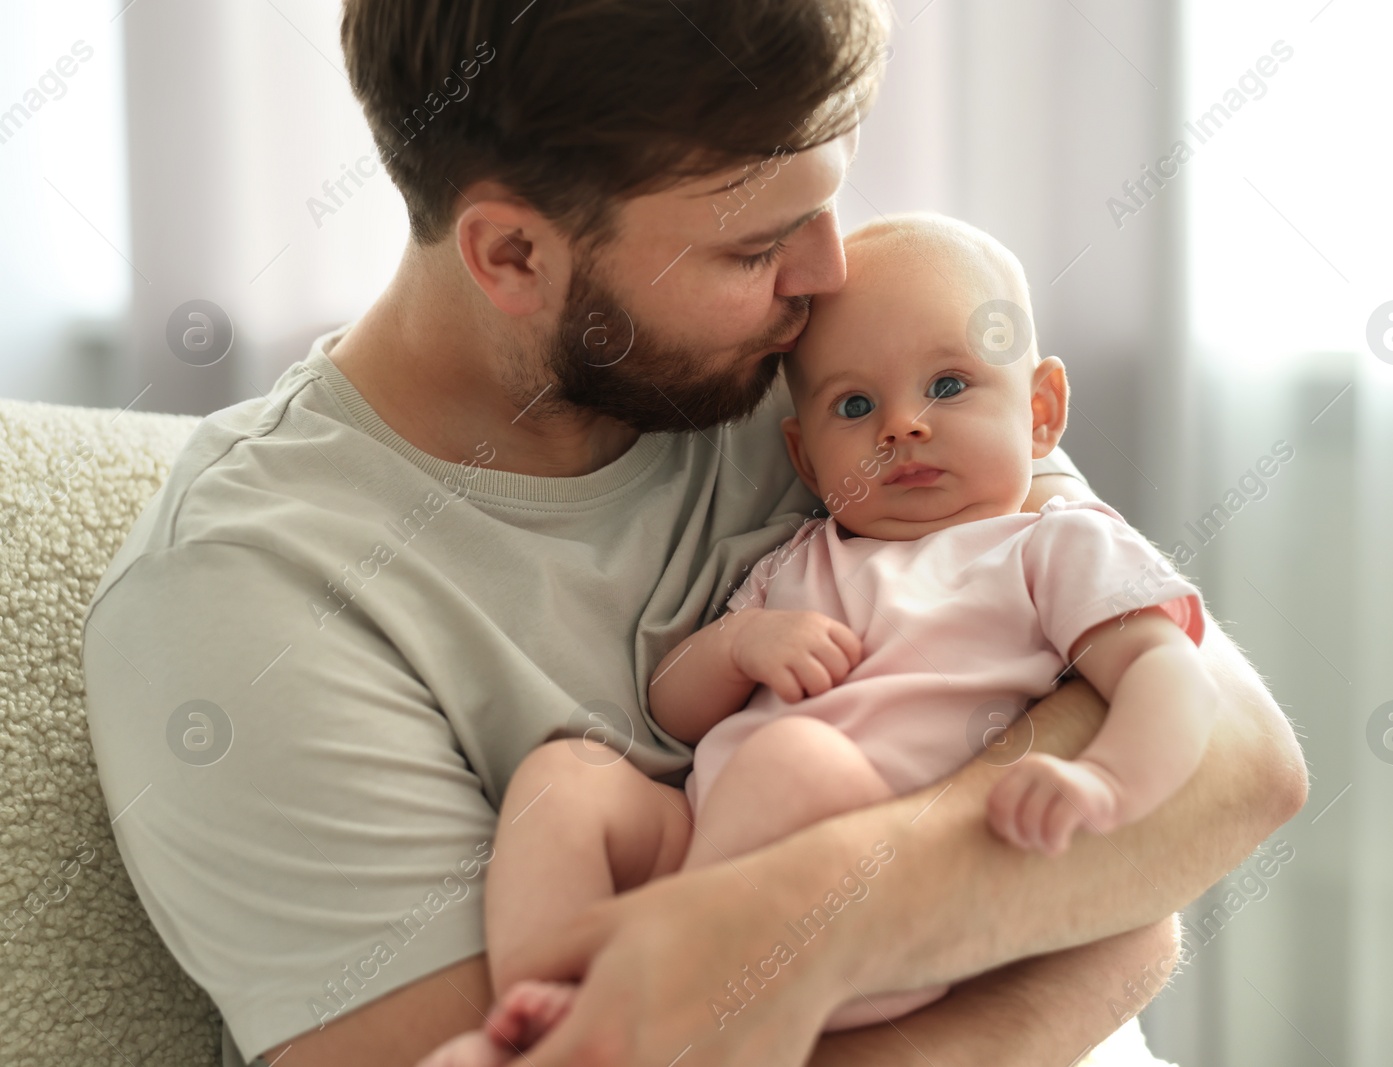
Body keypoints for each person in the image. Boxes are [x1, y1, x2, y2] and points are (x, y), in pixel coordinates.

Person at [81, 3, 1307, 1066]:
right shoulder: (245, 600)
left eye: (822, 209)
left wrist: (800, 917)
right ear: (513, 252)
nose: (825, 277)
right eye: (757, 244)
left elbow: (1237, 768)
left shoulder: (839, 369)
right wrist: (1079, 948)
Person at [447, 214, 1221, 1062]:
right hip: (706, 841)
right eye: (855, 406)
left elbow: (1166, 667)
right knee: (567, 775)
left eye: (950, 385)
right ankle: (546, 1001)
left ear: (1040, 413)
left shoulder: (1051, 544)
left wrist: (1108, 783)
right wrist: (740, 645)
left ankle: (652, 1016)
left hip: (877, 901)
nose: (902, 427)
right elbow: (672, 705)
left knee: (793, 761)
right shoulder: (799, 557)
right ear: (808, 460)